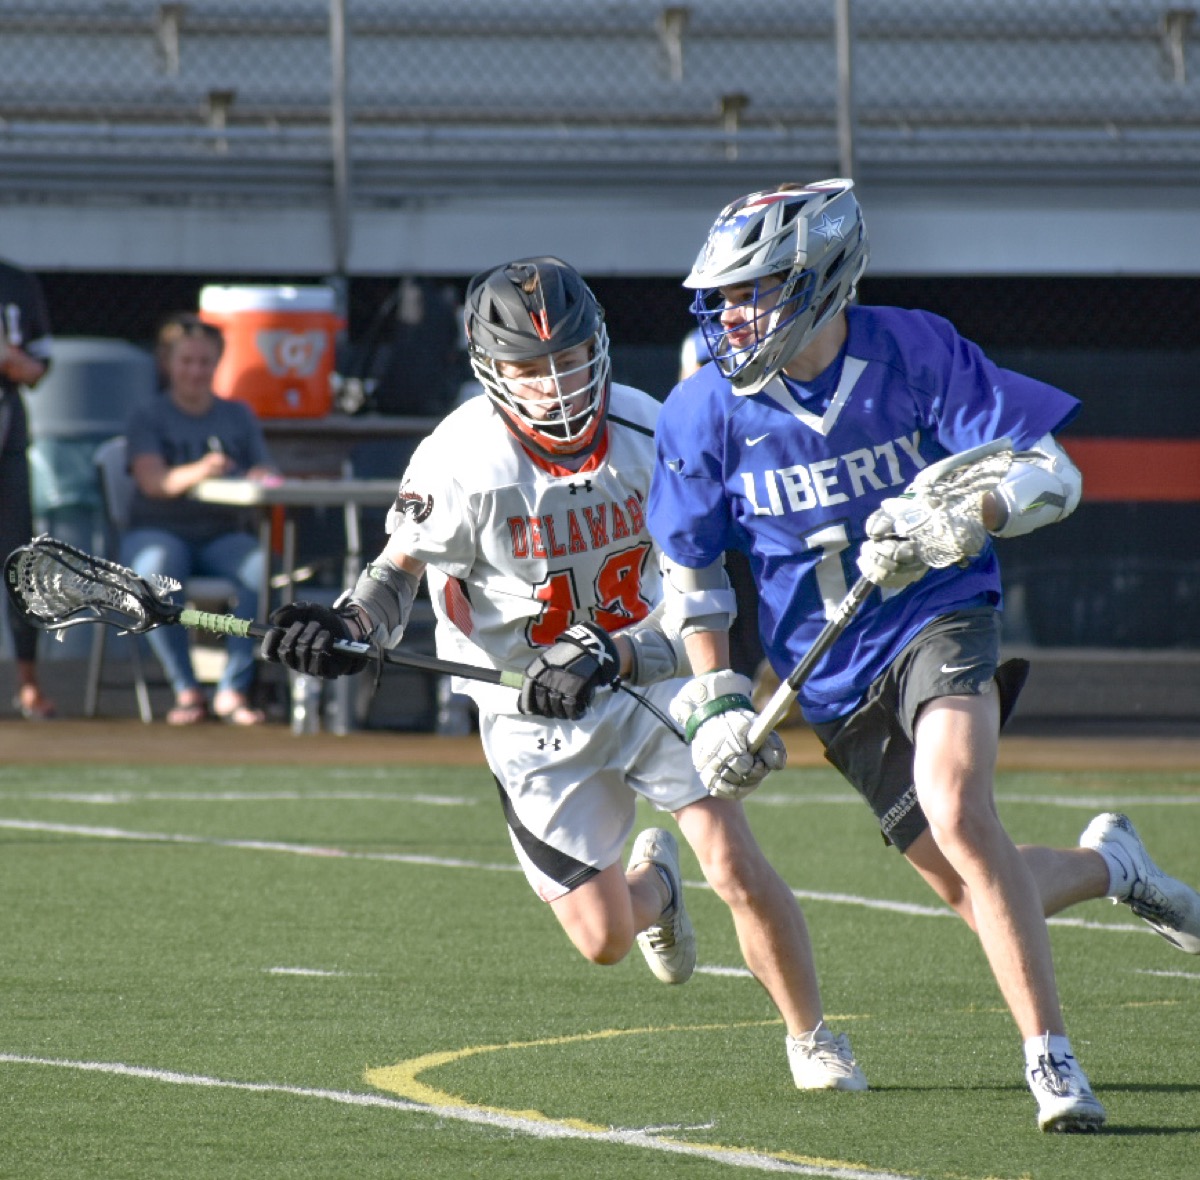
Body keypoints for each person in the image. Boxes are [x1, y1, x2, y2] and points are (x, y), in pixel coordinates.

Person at [646, 179, 1200, 1133]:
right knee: (967, 885)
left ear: (819, 277)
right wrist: (715, 702)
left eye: (753, 289)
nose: (732, 315)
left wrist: (957, 519)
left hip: (937, 616)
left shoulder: (912, 350)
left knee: (957, 808)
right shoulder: (705, 410)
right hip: (827, 674)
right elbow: (692, 575)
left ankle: (1052, 1061)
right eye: (724, 297)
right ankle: (1114, 867)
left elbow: (1048, 472)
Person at [260, 256, 868, 1094]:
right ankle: (655, 888)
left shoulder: (652, 431)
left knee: (732, 857)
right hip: (526, 711)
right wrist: (345, 627)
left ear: (599, 349)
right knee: (604, 938)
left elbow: (723, 590)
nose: (553, 384)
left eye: (568, 358)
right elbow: (397, 576)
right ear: (489, 371)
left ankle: (812, 1037)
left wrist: (618, 652)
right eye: (527, 368)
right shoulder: (461, 459)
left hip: (650, 672)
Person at [121, 314, 277, 726]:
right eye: (187, 361)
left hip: (222, 533)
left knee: (262, 570)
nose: (196, 370)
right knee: (156, 575)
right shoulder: (148, 416)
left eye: (205, 361)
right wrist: (203, 469)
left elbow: (263, 470)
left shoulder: (238, 415)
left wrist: (259, 475)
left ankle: (233, 689)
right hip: (157, 531)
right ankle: (186, 688)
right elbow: (153, 481)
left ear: (218, 363)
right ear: (168, 363)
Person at [0, 257, 56, 720]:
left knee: (20, 562)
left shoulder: (16, 281)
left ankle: (28, 684)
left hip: (7, 442)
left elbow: (38, 369)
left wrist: (9, 359)